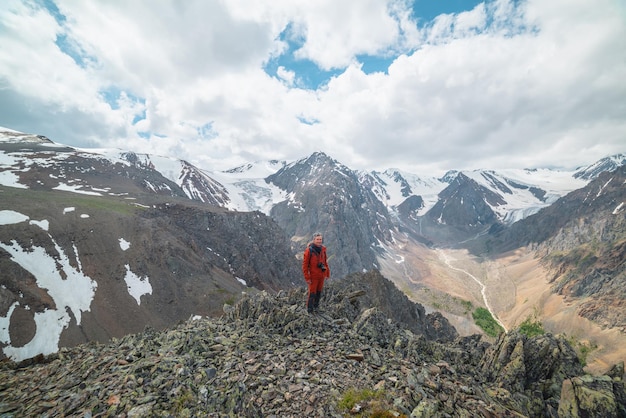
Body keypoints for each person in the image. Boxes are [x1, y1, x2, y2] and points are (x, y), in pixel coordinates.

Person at [302, 232, 330, 313]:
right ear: (313, 240)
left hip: (321, 275)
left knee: (319, 292)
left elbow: (325, 262)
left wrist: (327, 273)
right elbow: (305, 265)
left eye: (320, 239)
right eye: (317, 239)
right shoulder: (309, 251)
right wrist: (307, 277)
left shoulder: (323, 250)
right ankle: (310, 310)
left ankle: (316, 307)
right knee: (312, 293)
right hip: (313, 276)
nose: (319, 241)